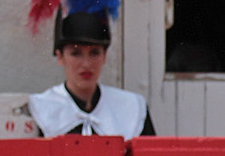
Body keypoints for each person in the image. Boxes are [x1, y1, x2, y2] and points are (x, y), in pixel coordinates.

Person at [27, 10, 154, 139]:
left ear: (104, 56)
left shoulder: (131, 107)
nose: (86, 64)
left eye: (94, 53)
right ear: (60, 57)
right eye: (75, 53)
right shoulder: (40, 108)